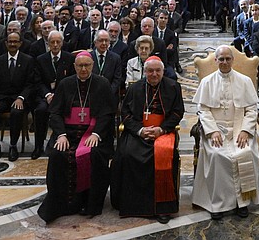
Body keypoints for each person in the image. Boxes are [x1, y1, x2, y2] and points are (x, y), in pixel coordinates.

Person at [37, 51, 117, 223]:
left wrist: (97, 134)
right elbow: (55, 113)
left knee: (94, 154)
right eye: (79, 65)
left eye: (86, 65)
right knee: (58, 154)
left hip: (93, 133)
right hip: (68, 134)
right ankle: (62, 204)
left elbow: (108, 114)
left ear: (92, 66)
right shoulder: (65, 84)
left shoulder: (102, 84)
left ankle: (90, 204)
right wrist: (61, 135)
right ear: (74, 66)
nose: (83, 69)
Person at [192, 46, 259, 219]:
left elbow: (251, 109)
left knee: (245, 152)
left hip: (240, 129)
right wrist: (212, 131)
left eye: (227, 59)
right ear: (216, 60)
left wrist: (246, 131)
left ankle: (243, 202)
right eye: (221, 59)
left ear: (233, 60)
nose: (224, 62)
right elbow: (203, 110)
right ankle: (218, 204)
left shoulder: (245, 81)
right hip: (216, 131)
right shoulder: (207, 82)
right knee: (217, 156)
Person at [111, 56, 184, 223]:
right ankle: (134, 205)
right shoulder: (135, 88)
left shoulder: (173, 87)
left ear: (163, 71)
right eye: (150, 71)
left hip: (163, 131)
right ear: (145, 72)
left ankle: (162, 208)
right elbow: (126, 113)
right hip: (139, 132)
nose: (154, 74)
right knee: (127, 154)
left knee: (163, 155)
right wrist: (140, 130)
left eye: (158, 71)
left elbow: (177, 112)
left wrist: (162, 129)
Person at [0, 32, 36, 162]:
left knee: (16, 112)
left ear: (20, 43)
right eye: (10, 42)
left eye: (15, 42)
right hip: (1, 98)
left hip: (19, 98)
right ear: (6, 43)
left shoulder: (28, 60)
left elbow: (30, 84)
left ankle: (13, 145)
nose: (12, 44)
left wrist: (21, 98)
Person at [33, 30, 74, 159]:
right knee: (40, 110)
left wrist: (58, 95)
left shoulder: (69, 58)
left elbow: (72, 80)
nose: (55, 45)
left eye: (58, 42)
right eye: (52, 42)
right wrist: (47, 95)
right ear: (48, 43)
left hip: (64, 96)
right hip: (46, 96)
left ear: (62, 43)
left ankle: (65, 141)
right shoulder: (41, 59)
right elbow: (37, 81)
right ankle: (38, 146)